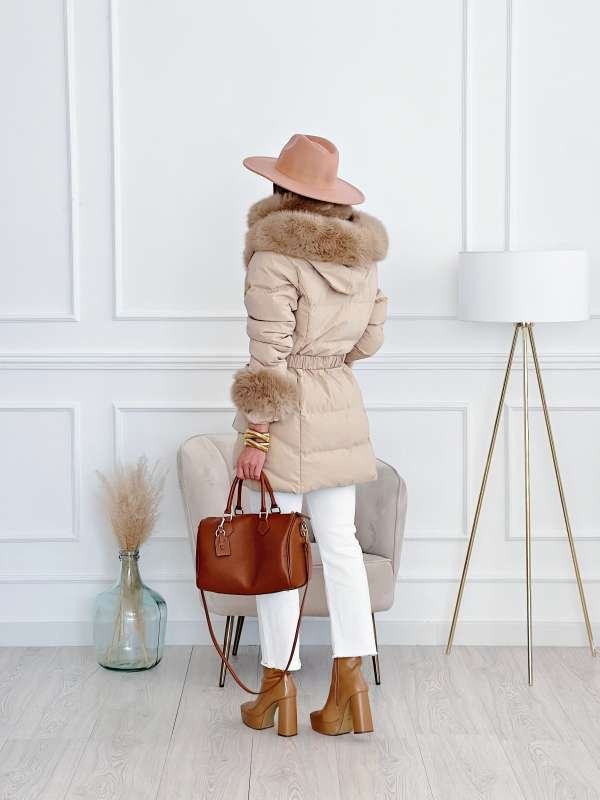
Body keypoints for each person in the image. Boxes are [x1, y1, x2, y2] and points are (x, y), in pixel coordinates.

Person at [229, 133, 388, 736]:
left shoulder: (274, 257)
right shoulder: (363, 259)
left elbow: (268, 353)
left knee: (278, 548)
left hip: (289, 413)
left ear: (281, 189)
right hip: (341, 402)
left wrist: (257, 435)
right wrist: (330, 358)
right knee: (341, 545)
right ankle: (351, 684)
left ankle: (278, 685)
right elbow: (368, 341)